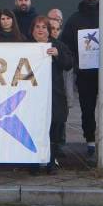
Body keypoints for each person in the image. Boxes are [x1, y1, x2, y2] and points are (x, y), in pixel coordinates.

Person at [61, 0, 101, 159]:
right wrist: (76, 60)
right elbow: (65, 45)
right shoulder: (74, 20)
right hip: (85, 75)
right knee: (87, 109)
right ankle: (90, 141)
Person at [33, 16, 74, 173]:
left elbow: (69, 64)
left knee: (54, 128)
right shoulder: (26, 46)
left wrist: (58, 54)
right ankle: (34, 163)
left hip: (54, 94)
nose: (41, 30)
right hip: (33, 97)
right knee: (35, 129)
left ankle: (51, 162)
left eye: (44, 27)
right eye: (37, 27)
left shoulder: (58, 45)